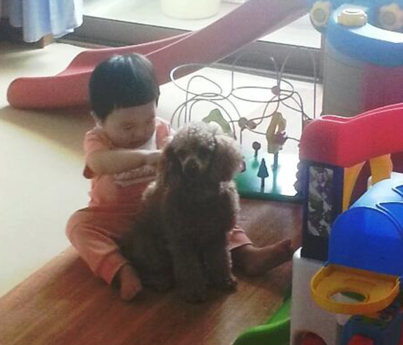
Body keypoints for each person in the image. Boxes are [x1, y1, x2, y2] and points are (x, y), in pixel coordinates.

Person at [66, 53, 293, 301]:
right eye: (128, 127)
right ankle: (120, 269)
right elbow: (98, 162)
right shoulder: (98, 139)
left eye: (148, 120)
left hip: (167, 208)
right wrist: (144, 157)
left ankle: (246, 254)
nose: (140, 131)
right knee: (78, 226)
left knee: (218, 216)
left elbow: (188, 156)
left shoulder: (162, 130)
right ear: (99, 120)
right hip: (116, 217)